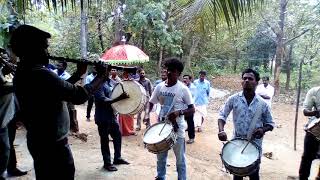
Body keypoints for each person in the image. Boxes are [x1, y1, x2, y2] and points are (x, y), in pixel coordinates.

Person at [11, 24, 108, 179]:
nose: (47, 52)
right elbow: (78, 96)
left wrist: (77, 74)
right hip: (53, 146)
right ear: (32, 48)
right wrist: (101, 76)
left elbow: (56, 92)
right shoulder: (40, 74)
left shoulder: (25, 71)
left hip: (40, 140)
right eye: (44, 47)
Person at [218, 68, 274, 180]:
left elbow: (270, 123)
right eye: (244, 78)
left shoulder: (262, 104)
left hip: (254, 145)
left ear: (256, 82)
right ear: (241, 81)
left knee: (254, 175)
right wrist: (221, 130)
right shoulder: (233, 99)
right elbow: (222, 116)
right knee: (237, 175)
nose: (247, 80)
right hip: (236, 144)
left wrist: (262, 130)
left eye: (250, 78)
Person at [148, 57, 195, 180]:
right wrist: (149, 117)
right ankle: (160, 177)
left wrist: (179, 112)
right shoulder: (159, 87)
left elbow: (192, 109)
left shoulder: (183, 89)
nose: (169, 72)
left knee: (180, 159)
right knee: (160, 157)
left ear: (178, 73)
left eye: (172, 71)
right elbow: (151, 102)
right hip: (162, 126)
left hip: (177, 128)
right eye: (168, 70)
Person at [94, 71, 130, 171]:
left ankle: (117, 158)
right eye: (106, 71)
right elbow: (103, 100)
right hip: (102, 118)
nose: (109, 73)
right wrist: (120, 98)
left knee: (117, 136)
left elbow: (112, 96)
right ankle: (107, 163)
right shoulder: (98, 84)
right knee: (105, 140)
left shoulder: (108, 83)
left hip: (111, 116)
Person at [0, 49, 27, 178]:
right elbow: (5, 89)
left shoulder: (8, 72)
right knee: (4, 147)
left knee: (9, 144)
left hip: (10, 114)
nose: (5, 60)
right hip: (1, 117)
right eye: (2, 58)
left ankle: (12, 168)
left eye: (6, 57)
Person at [298, 86, 320, 180]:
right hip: (315, 129)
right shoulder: (314, 92)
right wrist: (315, 112)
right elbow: (305, 111)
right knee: (307, 157)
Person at [53, 61, 79, 133]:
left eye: (60, 66)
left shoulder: (67, 76)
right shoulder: (53, 73)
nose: (58, 67)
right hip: (53, 96)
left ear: (64, 67)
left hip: (64, 98)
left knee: (67, 112)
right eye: (57, 65)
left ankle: (70, 128)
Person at [117, 71, 136, 136]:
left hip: (130, 101)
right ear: (123, 75)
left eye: (127, 74)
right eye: (124, 74)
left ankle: (130, 130)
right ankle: (123, 130)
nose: (126, 75)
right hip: (122, 101)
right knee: (122, 116)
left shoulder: (132, 82)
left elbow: (134, 92)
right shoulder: (120, 82)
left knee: (130, 116)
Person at [182, 74, 197, 144]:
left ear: (190, 80)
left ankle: (191, 138)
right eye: (184, 78)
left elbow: (190, 97)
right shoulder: (181, 86)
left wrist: (184, 87)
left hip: (189, 108)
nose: (185, 80)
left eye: (186, 79)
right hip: (182, 107)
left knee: (190, 122)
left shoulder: (193, 87)